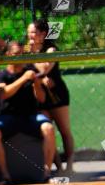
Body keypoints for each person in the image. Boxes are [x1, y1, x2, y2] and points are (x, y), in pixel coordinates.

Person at [0, 41, 56, 185]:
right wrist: (24, 78)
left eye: (21, 54)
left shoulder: (30, 70)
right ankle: (5, 176)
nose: (19, 57)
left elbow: (42, 98)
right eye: (15, 54)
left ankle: (46, 174)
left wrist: (37, 83)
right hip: (9, 117)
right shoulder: (2, 74)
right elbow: (3, 94)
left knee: (48, 128)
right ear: (7, 55)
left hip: (30, 116)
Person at [27, 19, 74, 174]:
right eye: (29, 32)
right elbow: (28, 73)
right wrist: (39, 79)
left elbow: (45, 68)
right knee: (49, 131)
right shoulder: (26, 51)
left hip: (58, 94)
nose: (30, 35)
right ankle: (59, 167)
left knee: (64, 131)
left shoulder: (51, 49)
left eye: (33, 32)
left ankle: (70, 167)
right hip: (40, 95)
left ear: (43, 34)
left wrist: (33, 54)